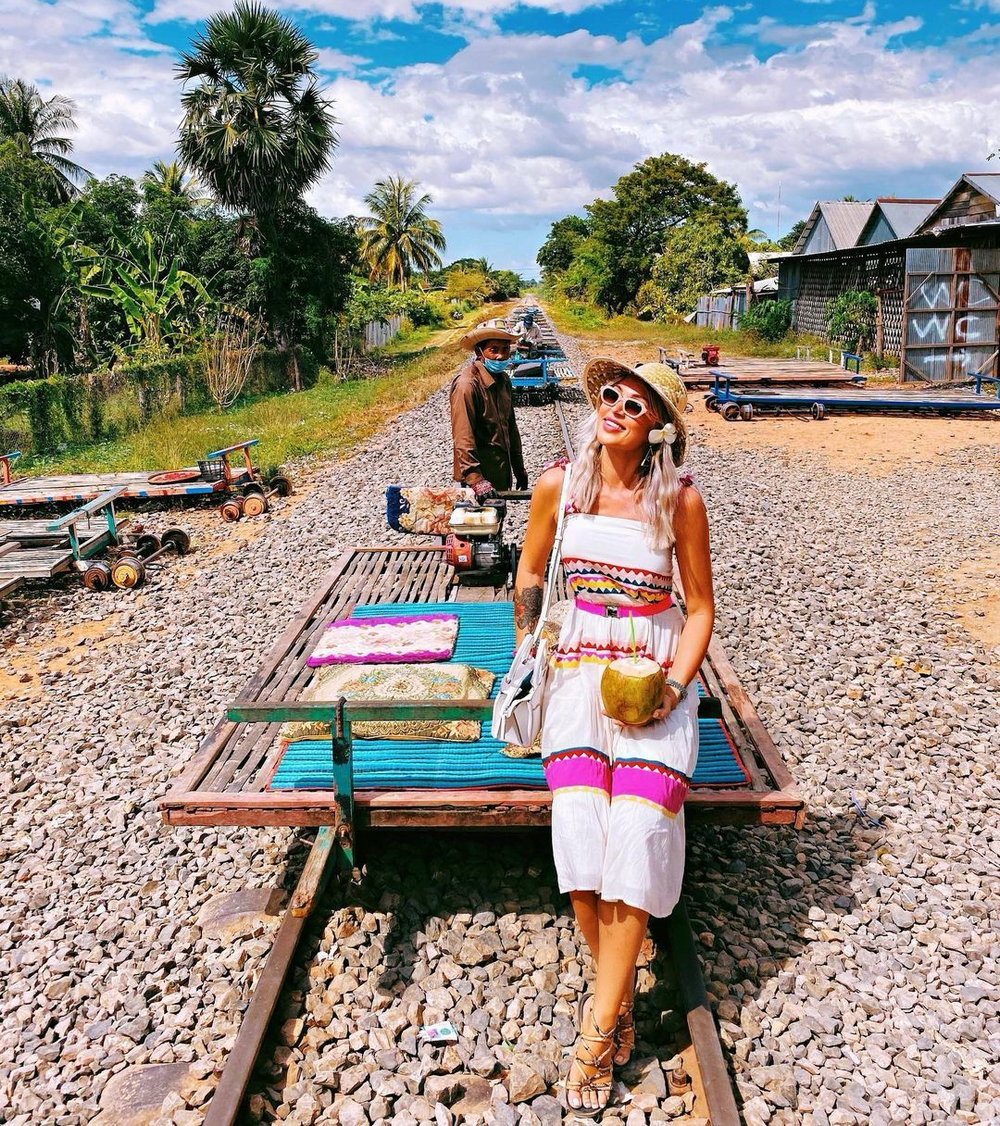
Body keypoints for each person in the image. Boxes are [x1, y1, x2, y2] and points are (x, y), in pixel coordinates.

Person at [512, 359, 714, 1116]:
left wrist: (672, 686)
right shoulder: (560, 485)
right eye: (610, 396)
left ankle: (599, 1026)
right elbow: (531, 571)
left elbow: (698, 610)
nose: (619, 408)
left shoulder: (680, 499)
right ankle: (620, 994)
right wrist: (528, 651)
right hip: (574, 675)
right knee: (581, 830)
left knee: (637, 825)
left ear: (657, 423)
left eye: (637, 403)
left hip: (651, 675)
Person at [450, 325, 528, 499]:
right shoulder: (467, 385)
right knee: (477, 524)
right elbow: (463, 437)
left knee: (497, 522)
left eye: (505, 349)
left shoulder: (503, 380)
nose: (500, 356)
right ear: (480, 352)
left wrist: (518, 468)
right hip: (476, 481)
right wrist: (476, 479)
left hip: (499, 472)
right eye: (493, 350)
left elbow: (511, 427)